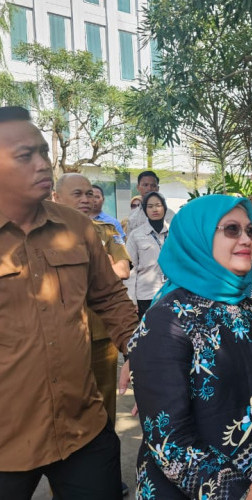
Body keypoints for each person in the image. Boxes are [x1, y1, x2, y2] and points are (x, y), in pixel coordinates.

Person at [0, 106, 138, 498]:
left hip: (82, 430)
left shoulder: (76, 227)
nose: (43, 163)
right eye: (25, 156)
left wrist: (146, 358)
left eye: (44, 152)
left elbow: (111, 298)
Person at [128, 194, 252, 499]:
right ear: (198, 237)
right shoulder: (166, 320)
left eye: (250, 231)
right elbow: (168, 439)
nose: (246, 238)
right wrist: (241, 493)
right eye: (231, 229)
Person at [53, 173, 133, 497]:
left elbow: (121, 271)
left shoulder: (108, 231)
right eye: (78, 193)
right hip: (60, 340)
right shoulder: (41, 236)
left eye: (90, 193)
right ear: (56, 198)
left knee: (103, 413)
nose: (87, 199)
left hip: (101, 335)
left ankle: (106, 478)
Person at [127, 191, 169, 318]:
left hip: (170, 292)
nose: (155, 209)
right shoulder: (136, 235)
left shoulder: (174, 233)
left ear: (164, 207)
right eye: (150, 206)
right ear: (145, 210)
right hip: (146, 295)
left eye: (158, 205)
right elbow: (130, 269)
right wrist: (131, 299)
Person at [126, 170, 174, 237]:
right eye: (145, 185)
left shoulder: (169, 214)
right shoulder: (132, 215)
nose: (149, 188)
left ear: (158, 188)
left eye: (153, 185)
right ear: (138, 187)